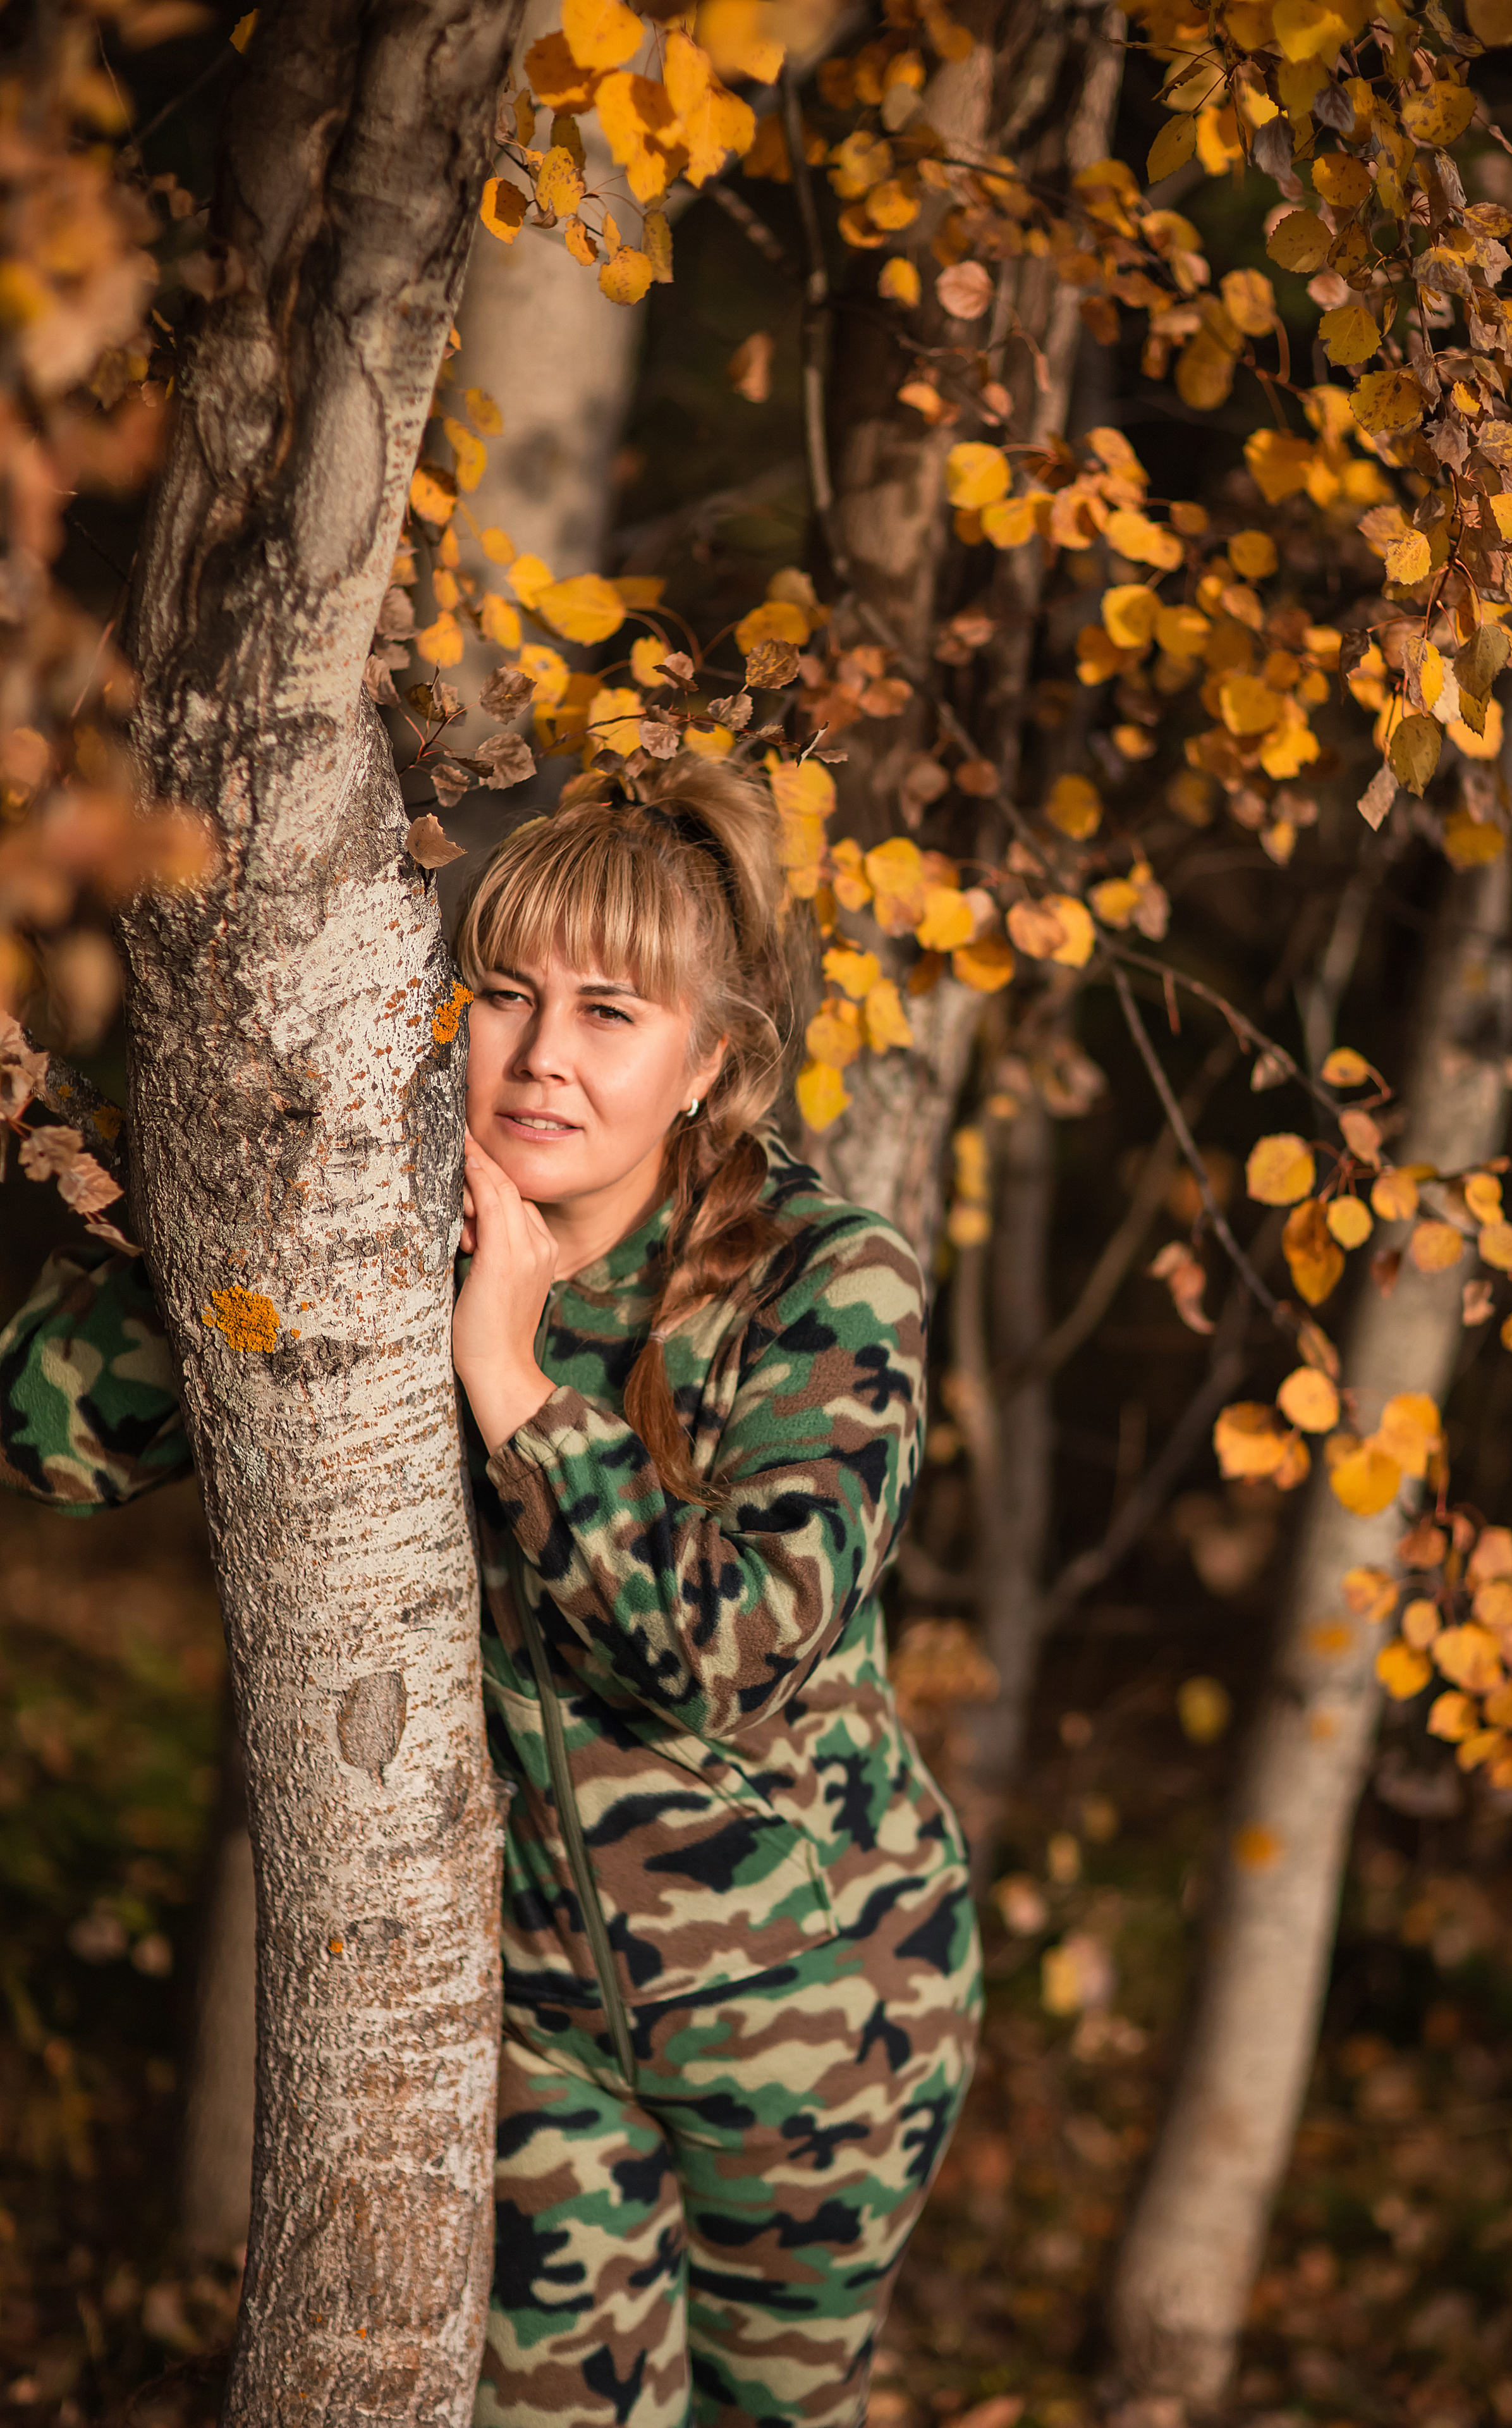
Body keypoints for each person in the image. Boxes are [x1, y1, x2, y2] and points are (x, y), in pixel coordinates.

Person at [0, 758, 982, 2428]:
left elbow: (734, 1643)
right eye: (503, 996)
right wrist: (240, 1188)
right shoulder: (382, 1237)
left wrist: (515, 1385)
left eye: (612, 1012)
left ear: (710, 1064)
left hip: (821, 2021)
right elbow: (45, 1438)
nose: (540, 1058)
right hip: (532, 2041)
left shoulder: (829, 1280)